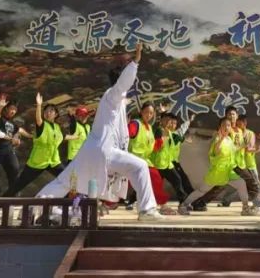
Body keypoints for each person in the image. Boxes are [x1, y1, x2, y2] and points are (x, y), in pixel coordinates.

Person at [35, 44, 167, 222]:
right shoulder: (113, 95)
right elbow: (122, 85)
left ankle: (34, 207)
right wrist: (135, 63)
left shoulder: (113, 101)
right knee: (140, 166)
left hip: (90, 150)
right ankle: (147, 210)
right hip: (104, 151)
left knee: (63, 181)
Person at [178, 118, 260, 216]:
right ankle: (183, 205)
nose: (226, 127)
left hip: (228, 171)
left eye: (228, 125)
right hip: (218, 172)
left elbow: (234, 149)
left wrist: (244, 146)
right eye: (224, 125)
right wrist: (221, 138)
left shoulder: (229, 139)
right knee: (202, 190)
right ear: (220, 127)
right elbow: (217, 150)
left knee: (241, 184)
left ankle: (245, 208)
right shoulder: (217, 138)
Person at [3, 93, 64, 196]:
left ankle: (73, 200)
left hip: (53, 161)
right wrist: (39, 105)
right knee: (19, 184)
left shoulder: (57, 127)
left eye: (51, 111)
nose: (48, 112)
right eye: (46, 111)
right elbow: (38, 120)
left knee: (66, 178)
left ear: (56, 114)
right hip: (37, 162)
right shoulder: (42, 125)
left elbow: (61, 138)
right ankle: (0, 202)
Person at [126, 101, 169, 208]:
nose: (148, 115)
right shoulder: (135, 124)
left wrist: (160, 142)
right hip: (133, 160)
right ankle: (107, 203)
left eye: (151, 113)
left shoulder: (149, 127)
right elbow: (126, 135)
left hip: (144, 161)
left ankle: (159, 205)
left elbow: (151, 147)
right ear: (141, 112)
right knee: (121, 182)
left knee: (155, 179)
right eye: (146, 112)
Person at [151, 112, 194, 204]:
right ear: (161, 121)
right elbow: (155, 145)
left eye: (170, 121)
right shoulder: (158, 131)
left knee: (177, 179)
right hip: (158, 163)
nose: (169, 123)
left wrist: (187, 139)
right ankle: (133, 199)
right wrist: (160, 141)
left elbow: (181, 135)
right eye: (166, 120)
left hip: (167, 163)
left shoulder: (171, 134)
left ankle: (183, 201)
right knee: (151, 183)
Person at [0, 99, 23, 191]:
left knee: (15, 168)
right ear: (6, 109)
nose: (13, 111)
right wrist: (1, 106)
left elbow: (17, 135)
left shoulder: (14, 124)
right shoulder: (0, 119)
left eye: (15, 110)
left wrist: (17, 141)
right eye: (12, 109)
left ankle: (13, 193)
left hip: (9, 150)